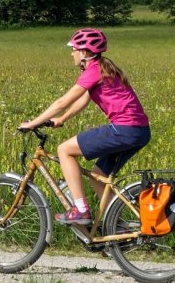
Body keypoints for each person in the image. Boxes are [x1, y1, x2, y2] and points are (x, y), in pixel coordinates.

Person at [19, 28, 151, 225]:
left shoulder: (94, 70)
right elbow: (84, 99)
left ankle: (80, 209)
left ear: (85, 53)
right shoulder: (105, 69)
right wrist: (62, 119)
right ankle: (118, 227)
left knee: (64, 150)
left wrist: (33, 123)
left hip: (124, 129)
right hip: (139, 131)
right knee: (98, 176)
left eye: (74, 49)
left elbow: (62, 102)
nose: (71, 53)